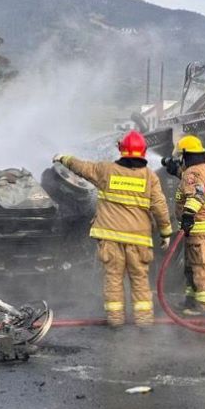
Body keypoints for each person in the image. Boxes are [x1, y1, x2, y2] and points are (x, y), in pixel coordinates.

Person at [54, 131, 173, 327]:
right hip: (139, 240)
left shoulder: (106, 171)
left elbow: (83, 168)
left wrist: (63, 158)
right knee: (140, 278)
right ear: (143, 152)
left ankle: (115, 319)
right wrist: (166, 232)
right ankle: (143, 320)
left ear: (122, 150)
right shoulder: (150, 177)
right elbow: (160, 207)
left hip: (110, 238)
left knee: (113, 279)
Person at [163, 134, 205, 314]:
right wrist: (177, 172)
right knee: (192, 265)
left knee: (199, 266)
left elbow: (197, 195)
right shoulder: (202, 168)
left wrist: (188, 215)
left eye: (179, 156)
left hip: (197, 229)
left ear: (185, 155)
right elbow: (196, 184)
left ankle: (204, 306)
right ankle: (191, 299)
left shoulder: (192, 173)